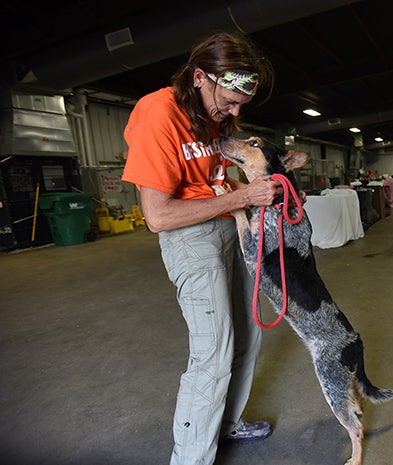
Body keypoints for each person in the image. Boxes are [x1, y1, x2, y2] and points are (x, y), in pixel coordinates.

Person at [121, 31, 282, 465]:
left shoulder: (214, 115)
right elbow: (158, 216)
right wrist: (241, 199)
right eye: (228, 102)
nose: (231, 114)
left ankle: (227, 422)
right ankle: (190, 458)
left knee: (248, 334)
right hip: (189, 236)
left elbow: (208, 181)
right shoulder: (157, 114)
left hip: (227, 224)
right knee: (213, 351)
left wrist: (247, 189)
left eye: (238, 108)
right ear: (199, 77)